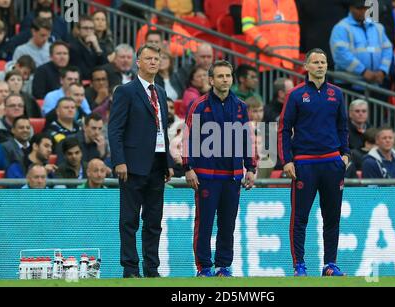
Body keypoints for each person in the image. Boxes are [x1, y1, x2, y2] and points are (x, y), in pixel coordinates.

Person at [278, 48, 350, 277]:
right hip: (305, 164)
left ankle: (330, 264)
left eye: (323, 62)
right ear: (306, 67)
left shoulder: (337, 94)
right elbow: (283, 128)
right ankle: (299, 265)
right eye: (315, 62)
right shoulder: (296, 95)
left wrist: (345, 155)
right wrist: (286, 161)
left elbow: (343, 127)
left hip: (331, 162)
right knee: (300, 217)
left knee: (332, 217)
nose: (320, 66)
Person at [182, 60, 256, 277]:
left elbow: (247, 139)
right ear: (211, 80)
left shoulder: (241, 107)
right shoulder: (199, 105)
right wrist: (188, 167)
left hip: (232, 176)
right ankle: (204, 267)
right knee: (204, 223)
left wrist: (250, 167)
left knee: (227, 224)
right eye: (221, 76)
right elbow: (188, 137)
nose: (225, 79)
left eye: (228, 76)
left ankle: (223, 266)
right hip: (206, 175)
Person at [108, 43, 174, 278]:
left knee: (154, 220)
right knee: (129, 219)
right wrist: (119, 160)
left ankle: (152, 268)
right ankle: (130, 268)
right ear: (138, 62)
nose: (153, 62)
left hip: (157, 164)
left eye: (157, 58)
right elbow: (115, 129)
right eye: (148, 58)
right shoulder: (125, 91)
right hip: (133, 164)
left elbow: (162, 131)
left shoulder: (162, 93)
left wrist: (168, 162)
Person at [330, 0, 393, 93]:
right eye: (359, 8)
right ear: (351, 8)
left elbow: (387, 49)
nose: (363, 11)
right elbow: (341, 54)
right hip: (349, 84)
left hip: (375, 83)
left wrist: (382, 71)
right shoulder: (341, 27)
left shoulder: (377, 27)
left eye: (365, 8)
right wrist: (363, 71)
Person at [241, 0, 300, 70]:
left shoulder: (289, 2)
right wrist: (263, 45)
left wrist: (295, 55)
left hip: (285, 62)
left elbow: (294, 30)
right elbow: (247, 26)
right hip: (262, 61)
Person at [68, 15, 108, 80]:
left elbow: (106, 68)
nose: (89, 31)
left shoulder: (100, 46)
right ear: (78, 30)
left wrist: (97, 48)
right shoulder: (73, 47)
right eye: (85, 28)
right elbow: (83, 72)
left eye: (91, 28)